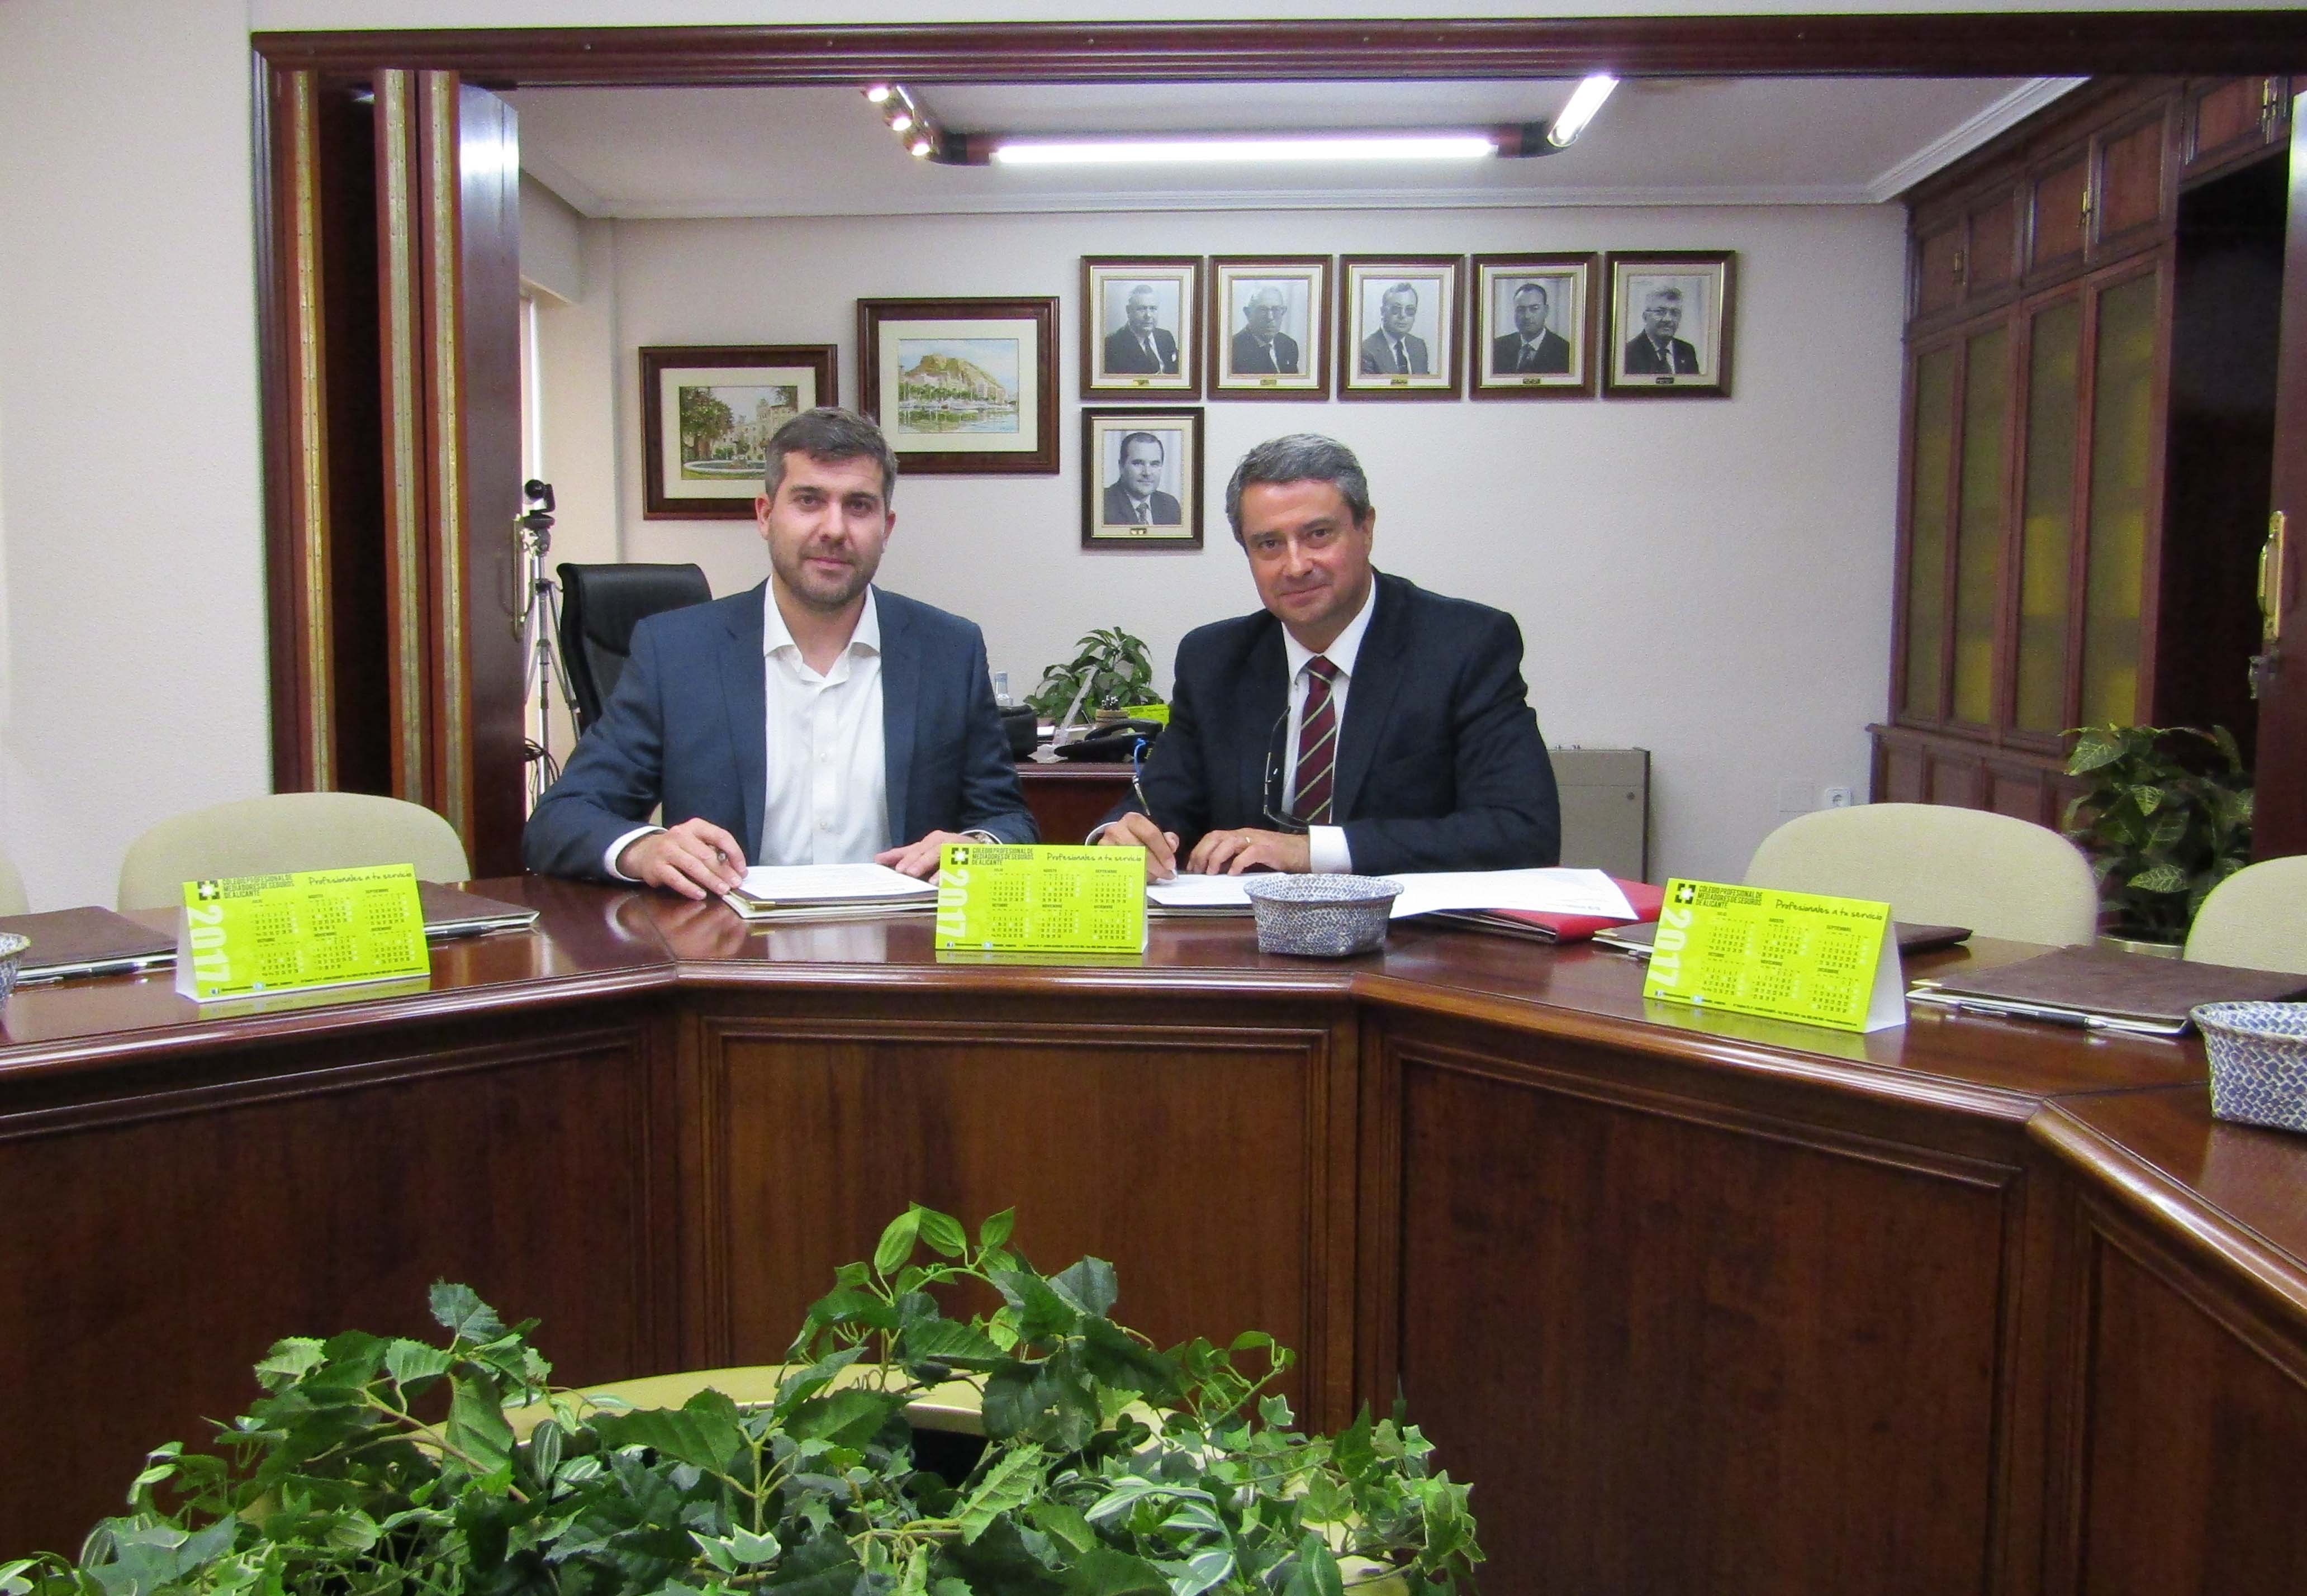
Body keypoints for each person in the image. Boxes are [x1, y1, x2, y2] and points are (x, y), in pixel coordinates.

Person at [523, 407, 1036, 897]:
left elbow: (1009, 820)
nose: (834, 529)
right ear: (766, 515)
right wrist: (644, 849)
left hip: (901, 946)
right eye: (809, 501)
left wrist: (979, 847)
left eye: (859, 506)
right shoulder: (676, 653)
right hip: (730, 946)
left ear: (887, 527)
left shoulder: (950, 650)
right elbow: (561, 818)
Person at [1094, 434, 1559, 878]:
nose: (1296, 566)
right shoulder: (1214, 660)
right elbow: (1158, 807)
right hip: (1244, 925)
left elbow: (1522, 831)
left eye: (1318, 535)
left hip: (1408, 928)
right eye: (1269, 544)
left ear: (1366, 529)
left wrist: (1311, 851)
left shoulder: (1465, 646)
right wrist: (1121, 839)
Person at [1100, 431, 1183, 525]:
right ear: (1121, 466)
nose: (1147, 473)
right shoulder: (1101, 505)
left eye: (1154, 464)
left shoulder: (1170, 506)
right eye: (1138, 463)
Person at [1490, 280, 1570, 375]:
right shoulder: (1497, 347)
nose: (1527, 316)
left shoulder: (1565, 352)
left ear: (1546, 311)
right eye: (1521, 310)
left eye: (1534, 309)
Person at [1102, 283, 1180, 375]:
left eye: (1153, 309)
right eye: (1142, 309)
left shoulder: (1166, 337)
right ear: (1129, 311)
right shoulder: (1111, 345)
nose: (1148, 315)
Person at [1623, 284, 1701, 375]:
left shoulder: (1687, 351)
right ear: (1645, 317)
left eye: (1674, 313)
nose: (1668, 319)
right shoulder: (1629, 353)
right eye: (1660, 312)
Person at [1357, 282, 1430, 375]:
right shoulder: (1366, 350)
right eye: (1396, 309)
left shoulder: (1419, 346)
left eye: (1410, 310)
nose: (1403, 315)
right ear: (1383, 312)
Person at [1230, 285, 1300, 374]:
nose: (1270, 317)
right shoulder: (1232, 349)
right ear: (1248, 313)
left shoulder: (1289, 345)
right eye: (1262, 310)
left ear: (1283, 312)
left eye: (1276, 309)